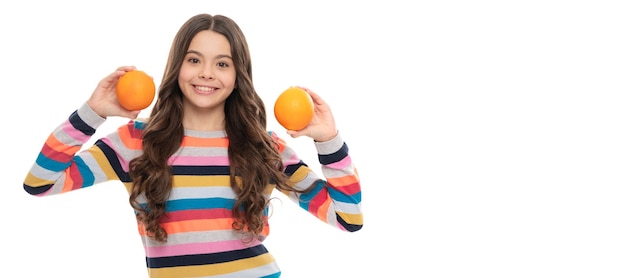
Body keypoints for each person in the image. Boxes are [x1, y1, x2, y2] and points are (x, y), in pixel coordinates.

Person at [22, 13, 363, 277]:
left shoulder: (263, 148)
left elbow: (347, 217)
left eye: (223, 64)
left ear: (237, 76)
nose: (207, 73)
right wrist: (92, 113)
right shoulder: (136, 142)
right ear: (177, 66)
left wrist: (328, 140)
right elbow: (41, 182)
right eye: (194, 59)